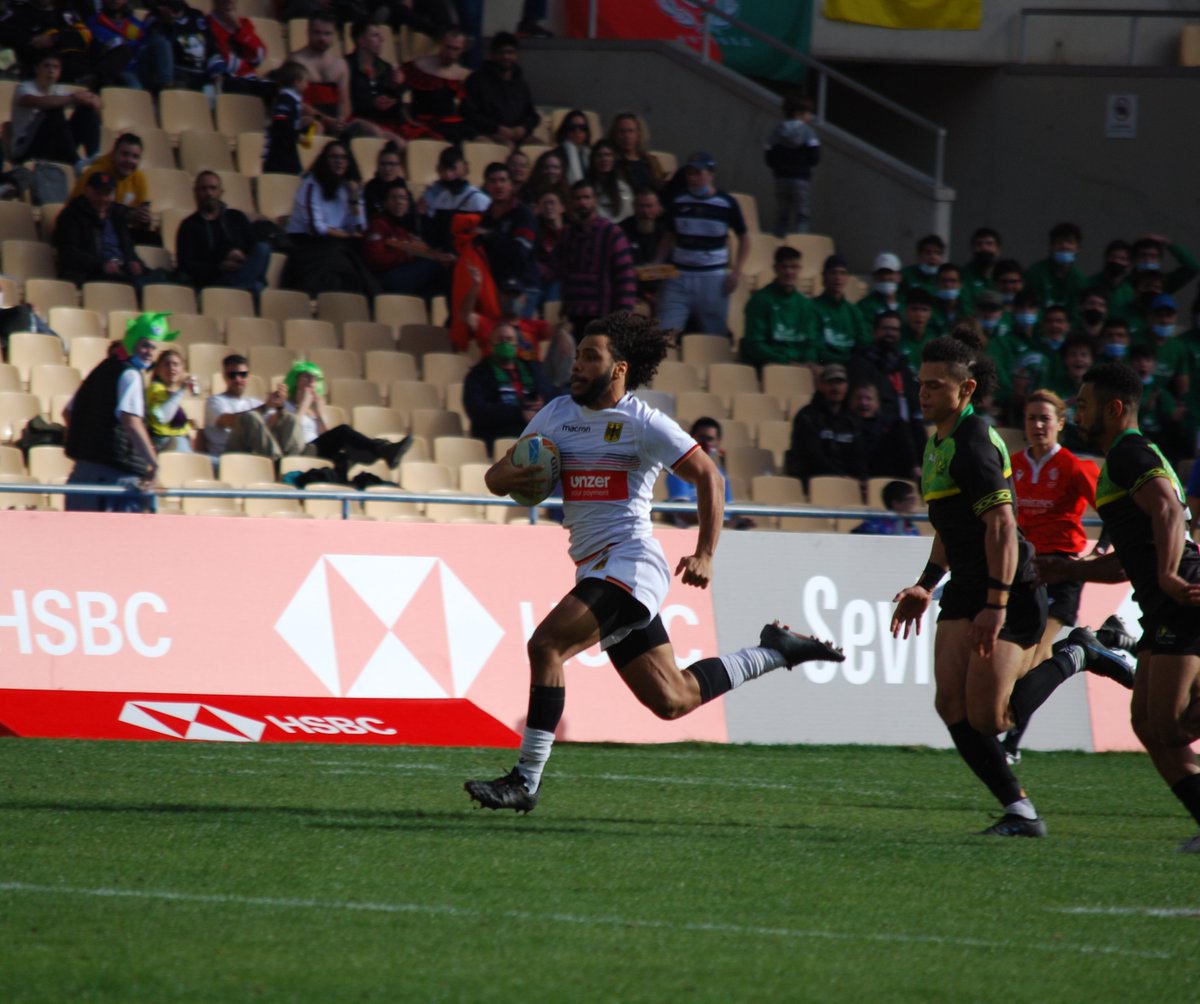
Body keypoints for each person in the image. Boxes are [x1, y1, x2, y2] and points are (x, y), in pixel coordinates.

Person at [463, 311, 843, 812]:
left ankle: (525, 780)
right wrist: (517, 473)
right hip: (595, 566)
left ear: (618, 368)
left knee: (547, 645)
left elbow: (710, 476)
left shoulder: (643, 423)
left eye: (590, 357)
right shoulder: (555, 414)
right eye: (577, 356)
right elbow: (495, 479)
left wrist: (705, 552)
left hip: (630, 562)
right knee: (672, 699)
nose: (576, 365)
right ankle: (776, 651)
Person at [889, 332, 1130, 838]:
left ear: (966, 389)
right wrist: (925, 584)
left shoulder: (974, 441)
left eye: (935, 385)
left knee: (992, 718)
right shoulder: (937, 444)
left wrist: (996, 604)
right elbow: (950, 526)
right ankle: (1020, 811)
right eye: (921, 384)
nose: (923, 393)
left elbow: (1001, 526)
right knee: (950, 705)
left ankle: (1077, 653)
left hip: (1010, 587)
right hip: (966, 584)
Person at [1037, 362, 1200, 852]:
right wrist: (1067, 570)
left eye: (1083, 405)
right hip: (1164, 602)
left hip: (1182, 594)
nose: (1076, 413)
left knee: (1170, 725)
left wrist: (1168, 574)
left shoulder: (1130, 452)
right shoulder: (1122, 461)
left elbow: (1168, 508)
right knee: (1148, 724)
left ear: (1112, 409)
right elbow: (1128, 562)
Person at [1000, 388, 1132, 764]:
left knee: (1035, 655)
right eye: (1031, 419)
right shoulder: (1012, 466)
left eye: (1045, 419)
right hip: (1023, 571)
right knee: (1023, 659)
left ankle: (1010, 744)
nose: (1038, 425)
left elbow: (1112, 512)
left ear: (1060, 423)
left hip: (1060, 570)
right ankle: (1099, 641)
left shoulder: (1074, 467)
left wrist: (1101, 549)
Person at [63, 313, 179, 512]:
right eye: (145, 345)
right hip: (114, 479)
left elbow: (68, 412)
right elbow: (131, 421)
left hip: (82, 473)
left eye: (154, 348)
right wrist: (154, 463)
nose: (150, 353)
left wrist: (90, 442)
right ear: (132, 342)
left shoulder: (99, 370)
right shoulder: (130, 374)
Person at [227, 361, 411, 476]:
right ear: (296, 380)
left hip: (312, 450)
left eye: (314, 379)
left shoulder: (314, 410)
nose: (311, 383)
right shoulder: (283, 404)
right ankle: (382, 449)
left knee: (345, 448)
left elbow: (326, 436)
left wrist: (319, 414)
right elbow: (282, 430)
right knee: (343, 432)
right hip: (292, 450)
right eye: (306, 378)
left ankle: (383, 450)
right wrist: (303, 406)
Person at [655, 151, 749, 336]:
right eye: (689, 173)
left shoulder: (726, 203)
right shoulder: (678, 201)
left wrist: (736, 271)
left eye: (698, 173)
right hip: (679, 275)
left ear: (710, 175)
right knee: (665, 330)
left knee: (714, 334)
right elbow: (669, 235)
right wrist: (658, 261)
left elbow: (744, 237)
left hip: (712, 276)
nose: (693, 178)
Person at [282, 141, 375, 296]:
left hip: (336, 241)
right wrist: (347, 236)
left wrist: (354, 198)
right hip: (307, 241)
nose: (339, 161)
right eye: (334, 157)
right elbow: (315, 227)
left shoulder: (350, 187)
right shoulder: (311, 184)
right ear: (325, 160)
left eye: (343, 157)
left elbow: (360, 228)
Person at [553, 180, 637, 335]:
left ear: (595, 200)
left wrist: (624, 316)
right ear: (571, 202)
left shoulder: (612, 233)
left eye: (586, 197)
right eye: (578, 198)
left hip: (604, 314)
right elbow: (555, 268)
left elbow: (625, 276)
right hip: (573, 314)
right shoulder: (566, 234)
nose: (582, 202)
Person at [175, 171, 271, 297]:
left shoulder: (236, 217)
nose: (209, 193)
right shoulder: (189, 225)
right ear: (195, 192)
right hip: (214, 280)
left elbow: (252, 248)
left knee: (263, 248)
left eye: (213, 188)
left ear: (221, 192)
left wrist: (240, 256)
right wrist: (219, 266)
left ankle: (236, 290)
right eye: (204, 189)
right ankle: (238, 291)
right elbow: (186, 264)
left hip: (241, 271)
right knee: (256, 287)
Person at [462, 321, 551, 451]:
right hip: (497, 440)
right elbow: (477, 410)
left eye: (509, 339)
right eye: (500, 339)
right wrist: (519, 414)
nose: (505, 343)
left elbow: (553, 395)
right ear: (491, 345)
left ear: (517, 344)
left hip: (536, 439)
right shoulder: (478, 375)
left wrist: (543, 401)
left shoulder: (533, 369)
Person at [54, 171, 148, 290]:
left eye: (107, 193)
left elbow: (128, 247)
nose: (103, 199)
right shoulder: (71, 216)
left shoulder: (117, 215)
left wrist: (133, 261)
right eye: (98, 193)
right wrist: (102, 265)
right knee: (138, 287)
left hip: (122, 271)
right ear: (87, 191)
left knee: (158, 282)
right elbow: (68, 254)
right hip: (91, 275)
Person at [784, 363, 866, 490]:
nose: (835, 388)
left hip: (846, 484)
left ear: (847, 386)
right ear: (821, 386)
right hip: (812, 482)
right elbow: (812, 455)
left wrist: (859, 479)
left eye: (840, 382)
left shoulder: (853, 420)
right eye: (830, 382)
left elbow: (858, 457)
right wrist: (842, 477)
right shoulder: (807, 416)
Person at [8, 52, 101, 165]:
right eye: (46, 66)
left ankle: (95, 159)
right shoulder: (24, 88)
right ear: (37, 69)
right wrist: (74, 98)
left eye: (55, 67)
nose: (51, 71)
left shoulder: (59, 90)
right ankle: (76, 163)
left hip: (53, 148)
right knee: (53, 110)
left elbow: (96, 103)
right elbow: (37, 101)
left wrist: (92, 99)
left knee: (86, 110)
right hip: (26, 149)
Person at [362, 180, 450, 296]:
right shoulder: (378, 224)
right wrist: (407, 254)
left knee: (444, 270)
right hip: (386, 278)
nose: (399, 202)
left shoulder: (403, 226)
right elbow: (376, 260)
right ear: (385, 203)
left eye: (403, 198)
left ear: (408, 203)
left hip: (405, 273)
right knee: (435, 265)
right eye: (393, 198)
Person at [665, 416, 754, 529]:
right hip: (693, 532)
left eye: (710, 439)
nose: (705, 443)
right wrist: (723, 523)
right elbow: (683, 513)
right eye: (701, 438)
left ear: (718, 443)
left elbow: (729, 510)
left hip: (721, 531)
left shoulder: (721, 474)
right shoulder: (679, 469)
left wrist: (739, 521)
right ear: (691, 438)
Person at [739, 245, 819, 370]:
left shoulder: (806, 304)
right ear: (775, 268)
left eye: (794, 267)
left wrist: (809, 360)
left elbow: (810, 343)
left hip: (800, 365)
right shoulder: (760, 300)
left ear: (800, 269)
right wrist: (785, 362)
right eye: (784, 267)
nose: (789, 272)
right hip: (768, 365)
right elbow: (754, 345)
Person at [461, 31, 539, 147]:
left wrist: (523, 128)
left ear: (516, 55)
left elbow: (532, 115)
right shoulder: (476, 80)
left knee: (540, 147)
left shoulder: (521, 84)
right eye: (501, 52)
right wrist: (496, 128)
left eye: (510, 52)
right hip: (486, 134)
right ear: (492, 54)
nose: (506, 56)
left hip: (517, 137)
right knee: (506, 146)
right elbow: (469, 114)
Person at [71, 132, 152, 239]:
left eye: (135, 157)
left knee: (153, 239)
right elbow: (81, 209)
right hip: (89, 231)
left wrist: (144, 219)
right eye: (125, 154)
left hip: (118, 231)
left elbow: (139, 219)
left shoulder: (139, 178)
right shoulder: (96, 173)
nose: (129, 161)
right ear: (113, 154)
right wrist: (125, 214)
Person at [477, 161, 538, 296]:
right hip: (494, 286)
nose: (498, 185)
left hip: (523, 287)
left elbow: (520, 253)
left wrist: (490, 236)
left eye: (503, 180)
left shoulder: (523, 214)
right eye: (493, 181)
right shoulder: (485, 218)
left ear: (511, 185)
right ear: (486, 186)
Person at [344, 19, 408, 146]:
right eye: (375, 35)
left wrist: (398, 86)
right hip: (357, 120)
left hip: (383, 121)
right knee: (395, 142)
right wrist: (372, 103)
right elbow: (347, 101)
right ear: (361, 41)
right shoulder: (346, 65)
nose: (382, 39)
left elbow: (396, 106)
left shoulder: (385, 67)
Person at [204, 354, 280, 461]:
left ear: (248, 376)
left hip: (253, 450)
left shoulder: (254, 403)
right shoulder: (214, 401)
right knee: (249, 417)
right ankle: (277, 462)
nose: (238, 379)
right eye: (232, 375)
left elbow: (274, 422)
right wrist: (265, 407)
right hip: (227, 453)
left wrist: (280, 406)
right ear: (224, 376)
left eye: (242, 374)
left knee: (288, 419)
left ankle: (290, 464)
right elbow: (228, 420)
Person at [401, 25, 470, 142]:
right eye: (448, 47)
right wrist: (408, 118)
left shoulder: (463, 75)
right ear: (440, 43)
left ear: (462, 50)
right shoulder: (418, 67)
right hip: (420, 125)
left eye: (456, 49)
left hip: (449, 127)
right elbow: (398, 96)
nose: (450, 54)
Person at [764, 93, 819, 236]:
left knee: (782, 216)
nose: (811, 116)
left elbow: (769, 154)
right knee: (802, 216)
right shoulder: (808, 132)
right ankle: (799, 243)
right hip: (801, 178)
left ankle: (778, 240)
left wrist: (778, 167)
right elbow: (815, 156)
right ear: (799, 114)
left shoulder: (777, 131)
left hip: (781, 178)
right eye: (808, 113)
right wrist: (804, 164)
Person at [419, 144, 489, 254]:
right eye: (444, 169)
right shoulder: (441, 198)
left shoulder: (479, 200)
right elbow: (433, 241)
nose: (448, 175)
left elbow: (482, 242)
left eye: (452, 169)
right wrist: (424, 217)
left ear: (465, 167)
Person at [0, 0, 92, 84]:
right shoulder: (19, 10)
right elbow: (4, 31)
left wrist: (55, 38)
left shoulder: (65, 9)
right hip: (37, 71)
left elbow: (84, 34)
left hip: (76, 68)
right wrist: (30, 40)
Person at [141, 0, 222, 95]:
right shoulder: (154, 18)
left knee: (220, 91)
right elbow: (156, 48)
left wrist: (217, 71)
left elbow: (211, 47)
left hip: (202, 78)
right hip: (177, 77)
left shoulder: (196, 16)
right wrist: (168, 24)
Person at [290, 14, 351, 138]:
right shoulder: (296, 61)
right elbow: (296, 102)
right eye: (317, 33)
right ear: (308, 32)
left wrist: (340, 120)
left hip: (334, 121)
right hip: (305, 119)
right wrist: (327, 121)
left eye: (327, 34)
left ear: (335, 35)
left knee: (364, 128)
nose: (322, 38)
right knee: (316, 126)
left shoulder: (341, 65)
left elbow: (345, 103)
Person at [812, 253, 869, 365]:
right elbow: (817, 349)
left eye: (842, 273)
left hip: (852, 365)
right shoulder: (814, 307)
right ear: (824, 276)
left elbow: (864, 344)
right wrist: (846, 361)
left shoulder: (854, 311)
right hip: (826, 364)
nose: (838, 277)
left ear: (847, 278)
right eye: (833, 272)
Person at [207, 0, 272, 98]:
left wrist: (238, 28)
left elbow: (259, 58)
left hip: (249, 81)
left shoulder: (243, 24)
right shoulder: (206, 24)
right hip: (226, 83)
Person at [1023, 221, 1087, 316]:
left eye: (1069, 242)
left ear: (1077, 249)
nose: (1064, 246)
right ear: (1050, 247)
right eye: (1059, 242)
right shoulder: (1035, 273)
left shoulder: (1080, 280)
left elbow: (1078, 315)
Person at [621, 188, 668, 309]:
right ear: (634, 207)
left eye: (649, 206)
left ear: (658, 208)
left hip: (664, 293)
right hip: (633, 294)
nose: (645, 211)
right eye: (641, 206)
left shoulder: (667, 233)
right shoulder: (622, 231)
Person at [262, 61, 312, 176]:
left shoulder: (292, 101)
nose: (307, 86)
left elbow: (289, 123)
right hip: (279, 152)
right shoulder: (285, 100)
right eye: (306, 82)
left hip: (289, 148)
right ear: (297, 82)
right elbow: (281, 122)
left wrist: (301, 125)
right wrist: (297, 135)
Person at [86, 0, 148, 89]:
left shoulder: (135, 24)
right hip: (106, 65)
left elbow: (141, 46)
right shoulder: (94, 21)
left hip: (131, 68)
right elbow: (102, 45)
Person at [145, 347, 197, 453]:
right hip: (165, 443)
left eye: (175, 364)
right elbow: (161, 417)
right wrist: (182, 389)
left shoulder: (173, 391)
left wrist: (189, 423)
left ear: (182, 369)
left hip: (180, 442)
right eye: (166, 364)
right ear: (158, 370)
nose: (171, 368)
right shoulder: (155, 388)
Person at [608, 112, 664, 193]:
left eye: (631, 131)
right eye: (622, 131)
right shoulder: (611, 162)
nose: (626, 136)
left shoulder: (651, 161)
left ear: (638, 134)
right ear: (614, 135)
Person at [851, 479, 920, 536]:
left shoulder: (912, 527)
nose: (914, 503)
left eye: (914, 499)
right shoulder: (874, 525)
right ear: (896, 504)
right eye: (910, 500)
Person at [587, 139, 633, 223]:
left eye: (608, 155)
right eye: (599, 155)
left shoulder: (623, 188)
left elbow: (628, 214)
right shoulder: (587, 188)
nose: (604, 159)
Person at [362, 142, 411, 220]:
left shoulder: (403, 186)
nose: (387, 168)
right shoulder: (370, 187)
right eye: (383, 164)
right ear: (378, 166)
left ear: (399, 166)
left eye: (392, 164)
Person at [856, 251, 902, 328]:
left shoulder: (906, 304)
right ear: (874, 276)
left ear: (899, 276)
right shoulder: (864, 306)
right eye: (881, 273)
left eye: (890, 273)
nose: (885, 277)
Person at [518, 149, 571, 214]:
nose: (551, 171)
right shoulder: (528, 191)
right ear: (539, 169)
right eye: (546, 167)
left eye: (555, 167)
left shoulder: (568, 192)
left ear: (562, 170)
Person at [551, 108, 591, 184]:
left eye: (582, 128)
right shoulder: (556, 155)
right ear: (565, 130)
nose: (577, 131)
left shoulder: (590, 155)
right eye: (572, 127)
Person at [900, 234, 945, 300]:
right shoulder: (906, 275)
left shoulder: (945, 277)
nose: (933, 257)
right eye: (928, 252)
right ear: (919, 255)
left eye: (937, 253)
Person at [961, 226, 1002, 298]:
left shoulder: (1005, 275)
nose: (984, 248)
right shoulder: (962, 275)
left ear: (998, 250)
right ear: (972, 249)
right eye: (979, 244)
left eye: (989, 244)